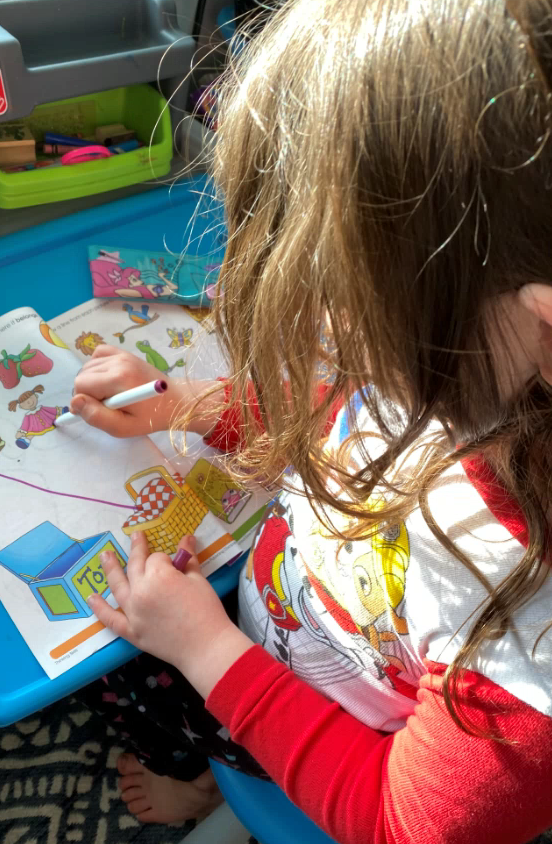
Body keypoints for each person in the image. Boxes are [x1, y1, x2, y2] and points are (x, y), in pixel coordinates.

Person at [72, 0, 552, 841]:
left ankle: (198, 785)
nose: (314, 325)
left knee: (124, 679)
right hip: (274, 622)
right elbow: (335, 417)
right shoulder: (466, 358)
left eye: (341, 292)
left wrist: (205, 651)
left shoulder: (530, 636)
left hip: (322, 731)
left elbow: (398, 822)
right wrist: (185, 405)